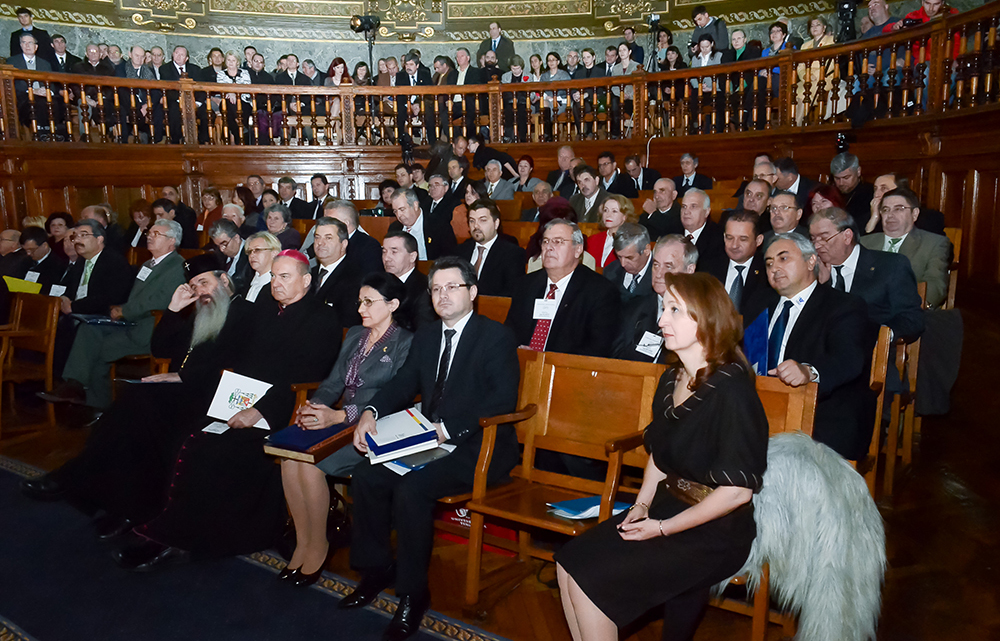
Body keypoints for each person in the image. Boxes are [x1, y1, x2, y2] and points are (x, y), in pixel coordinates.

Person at [556, 272, 767, 641]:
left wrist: (662, 528)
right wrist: (641, 505)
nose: (660, 319)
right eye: (664, 308)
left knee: (593, 583)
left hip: (716, 530)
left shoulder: (733, 391)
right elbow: (660, 451)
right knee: (568, 563)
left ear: (706, 319)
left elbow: (737, 493)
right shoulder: (672, 379)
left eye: (674, 310)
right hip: (668, 506)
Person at [106, 251, 341, 570]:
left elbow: (307, 376)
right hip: (245, 402)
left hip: (284, 411)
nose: (276, 283)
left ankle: (189, 539)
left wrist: (258, 411)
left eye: (284, 277)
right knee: (187, 438)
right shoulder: (265, 311)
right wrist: (230, 398)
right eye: (273, 276)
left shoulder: (322, 319)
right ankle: (171, 531)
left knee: (212, 452)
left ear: (306, 279)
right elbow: (244, 361)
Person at [341, 256, 520, 641]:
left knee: (412, 491)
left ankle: (413, 594)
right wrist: (371, 411)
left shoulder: (496, 336)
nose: (442, 295)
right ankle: (376, 571)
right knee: (367, 475)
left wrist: (447, 429)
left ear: (472, 292)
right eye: (436, 288)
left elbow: (502, 400)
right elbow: (405, 382)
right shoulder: (427, 335)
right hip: (428, 438)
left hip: (477, 444)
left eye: (452, 287)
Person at [279, 272, 414, 586]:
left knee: (311, 467)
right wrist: (315, 406)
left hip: (376, 429)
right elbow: (333, 383)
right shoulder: (355, 334)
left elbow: (394, 396)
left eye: (369, 302)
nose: (361, 308)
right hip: (338, 420)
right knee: (289, 460)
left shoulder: (405, 343)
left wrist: (339, 415)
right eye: (360, 302)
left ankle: (319, 547)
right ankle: (303, 542)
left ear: (392, 304)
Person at [743, 233, 873, 460]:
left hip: (821, 409)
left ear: (811, 261)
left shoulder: (843, 306)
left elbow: (849, 359)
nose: (774, 268)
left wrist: (808, 371)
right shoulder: (758, 303)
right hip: (762, 405)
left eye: (783, 259)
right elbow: (742, 353)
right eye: (769, 263)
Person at [40, 219, 186, 412]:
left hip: (150, 328)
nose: (149, 237)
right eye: (149, 233)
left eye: (156, 234)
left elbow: (160, 300)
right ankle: (75, 387)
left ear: (172, 241)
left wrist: (124, 310)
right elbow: (133, 296)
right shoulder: (148, 264)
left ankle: (95, 403)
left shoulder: (177, 266)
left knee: (96, 351)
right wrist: (121, 309)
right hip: (130, 322)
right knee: (88, 330)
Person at [808, 207, 924, 343]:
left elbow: (912, 318)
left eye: (824, 237)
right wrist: (820, 287)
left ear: (847, 236)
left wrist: (882, 336)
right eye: (813, 239)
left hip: (872, 355)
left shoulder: (890, 266)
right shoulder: (812, 271)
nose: (816, 246)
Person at [506, 219, 620, 357]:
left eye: (558, 242)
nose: (549, 247)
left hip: (566, 371)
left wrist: (545, 358)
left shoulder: (600, 292)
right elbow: (509, 332)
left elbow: (597, 348)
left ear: (578, 250)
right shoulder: (526, 285)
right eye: (546, 241)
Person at [859, 187, 951, 308]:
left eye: (899, 209)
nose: (890, 215)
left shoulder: (933, 243)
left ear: (915, 214)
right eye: (885, 210)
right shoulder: (865, 243)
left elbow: (935, 286)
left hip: (908, 310)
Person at [611, 235, 697, 362]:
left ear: (689, 270)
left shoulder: (699, 315)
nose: (659, 273)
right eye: (656, 265)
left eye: (668, 266)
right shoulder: (632, 308)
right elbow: (615, 358)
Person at [701, 210, 769, 316]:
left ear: (758, 240)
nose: (734, 245)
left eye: (743, 239)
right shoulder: (707, 268)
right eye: (729, 238)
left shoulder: (768, 272)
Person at [458, 199, 526, 297]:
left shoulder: (512, 254)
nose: (476, 226)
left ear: (496, 224)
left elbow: (512, 293)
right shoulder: (460, 251)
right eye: (472, 221)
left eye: (483, 220)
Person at [311, 216, 362, 327]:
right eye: (317, 237)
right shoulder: (309, 274)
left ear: (343, 244)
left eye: (328, 238)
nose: (320, 243)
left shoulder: (355, 277)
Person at [382, 230, 436, 327]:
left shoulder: (424, 288)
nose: (386, 258)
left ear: (412, 257)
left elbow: (424, 329)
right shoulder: (380, 283)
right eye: (384, 252)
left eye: (394, 252)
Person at [387, 187, 457, 260]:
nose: (399, 215)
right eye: (395, 211)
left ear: (415, 205)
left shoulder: (439, 225)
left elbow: (450, 257)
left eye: (402, 209)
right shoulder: (394, 228)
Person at [603, 223, 653, 304]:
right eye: (619, 256)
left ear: (646, 250)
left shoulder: (660, 276)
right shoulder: (610, 272)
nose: (623, 264)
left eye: (629, 258)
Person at [586, 195, 636, 268]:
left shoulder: (631, 242)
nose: (608, 215)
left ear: (624, 216)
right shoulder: (592, 239)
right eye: (605, 210)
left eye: (614, 211)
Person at [680, 189, 725, 267]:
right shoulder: (671, 232)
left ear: (707, 212)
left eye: (693, 206)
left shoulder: (719, 238)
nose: (686, 212)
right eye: (684, 206)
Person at [242, 231, 281, 303]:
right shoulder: (247, 282)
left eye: (257, 250)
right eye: (250, 252)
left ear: (274, 253)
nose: (252, 255)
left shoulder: (278, 287)